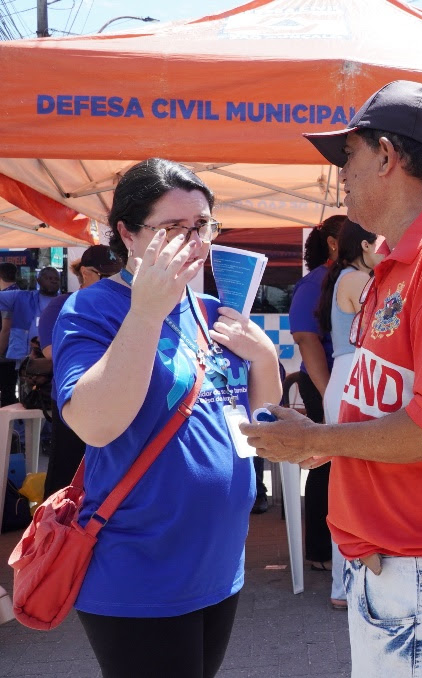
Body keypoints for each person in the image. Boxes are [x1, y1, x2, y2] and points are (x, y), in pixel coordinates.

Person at [243, 80, 422, 678]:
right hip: (404, 570)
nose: (339, 176)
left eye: (346, 156)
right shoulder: (406, 257)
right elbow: (398, 403)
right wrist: (321, 436)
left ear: (387, 156)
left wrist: (318, 441)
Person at [52, 158, 281, 678]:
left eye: (201, 226)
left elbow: (256, 427)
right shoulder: (93, 309)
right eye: (173, 229)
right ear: (128, 234)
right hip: (139, 568)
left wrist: (265, 359)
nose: (194, 242)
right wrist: (147, 311)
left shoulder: (207, 308)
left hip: (219, 563)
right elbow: (94, 424)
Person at [314, 214, 383, 610]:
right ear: (365, 246)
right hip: (356, 376)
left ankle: (347, 583)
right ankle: (346, 585)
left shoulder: (348, 278)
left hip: (354, 375)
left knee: (352, 481)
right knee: (354, 483)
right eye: (382, 244)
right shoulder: (358, 281)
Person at [38, 246, 123, 499]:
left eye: (119, 274)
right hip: (72, 399)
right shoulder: (63, 304)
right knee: (65, 472)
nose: (114, 281)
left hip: (116, 398)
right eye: (106, 275)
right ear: (85, 273)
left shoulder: (122, 302)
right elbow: (51, 351)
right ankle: (52, 533)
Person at [288, 219, 344, 566]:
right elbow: (307, 340)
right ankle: (321, 552)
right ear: (336, 243)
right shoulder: (315, 283)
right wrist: (329, 393)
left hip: (343, 385)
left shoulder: (347, 277)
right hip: (323, 384)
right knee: (325, 464)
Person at [0, 265, 61, 367]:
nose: (53, 281)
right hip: (25, 360)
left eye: (56, 279)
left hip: (53, 358)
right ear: (39, 280)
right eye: (49, 278)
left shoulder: (65, 302)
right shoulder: (20, 297)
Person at [0, 262, 20, 407]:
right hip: (16, 350)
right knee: (9, 391)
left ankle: (9, 428)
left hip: (5, 354)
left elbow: (6, 328)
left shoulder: (7, 296)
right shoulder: (20, 293)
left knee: (7, 394)